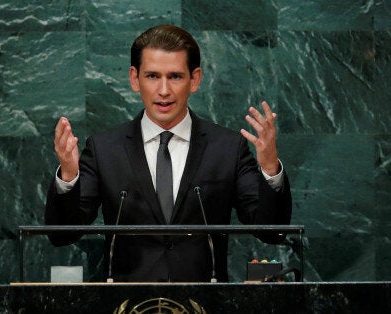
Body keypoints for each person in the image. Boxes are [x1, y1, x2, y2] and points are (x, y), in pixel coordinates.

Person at [45, 24, 292, 282]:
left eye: (175, 76)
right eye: (152, 76)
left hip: (204, 303)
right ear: (134, 78)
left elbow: (271, 232)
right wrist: (69, 176)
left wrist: (270, 168)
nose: (164, 91)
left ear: (194, 79)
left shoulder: (227, 148)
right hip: (128, 304)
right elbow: (62, 235)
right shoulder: (104, 149)